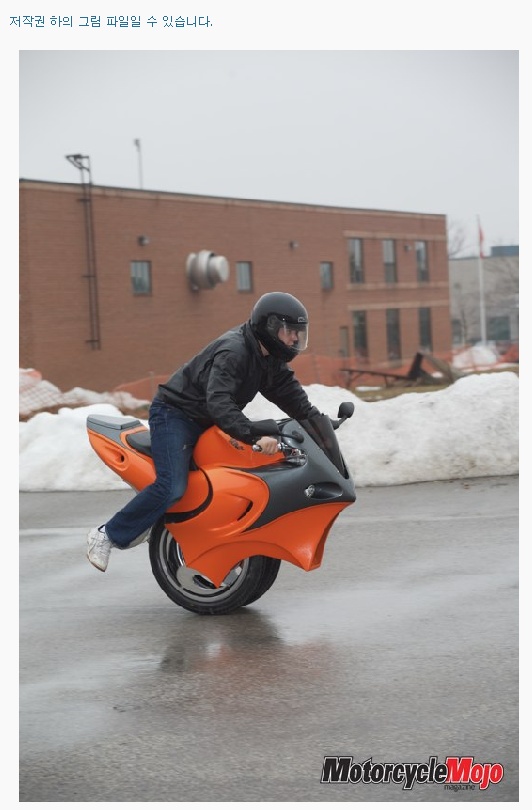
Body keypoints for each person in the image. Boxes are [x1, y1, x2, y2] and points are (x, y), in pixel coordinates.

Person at [87, 291, 321, 572]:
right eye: (289, 332)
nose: (294, 339)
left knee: (232, 480)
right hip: (176, 414)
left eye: (298, 333)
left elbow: (291, 396)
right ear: (269, 327)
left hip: (208, 419)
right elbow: (219, 403)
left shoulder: (269, 358)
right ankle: (107, 535)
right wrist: (253, 435)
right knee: (172, 486)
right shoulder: (234, 352)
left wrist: (318, 423)